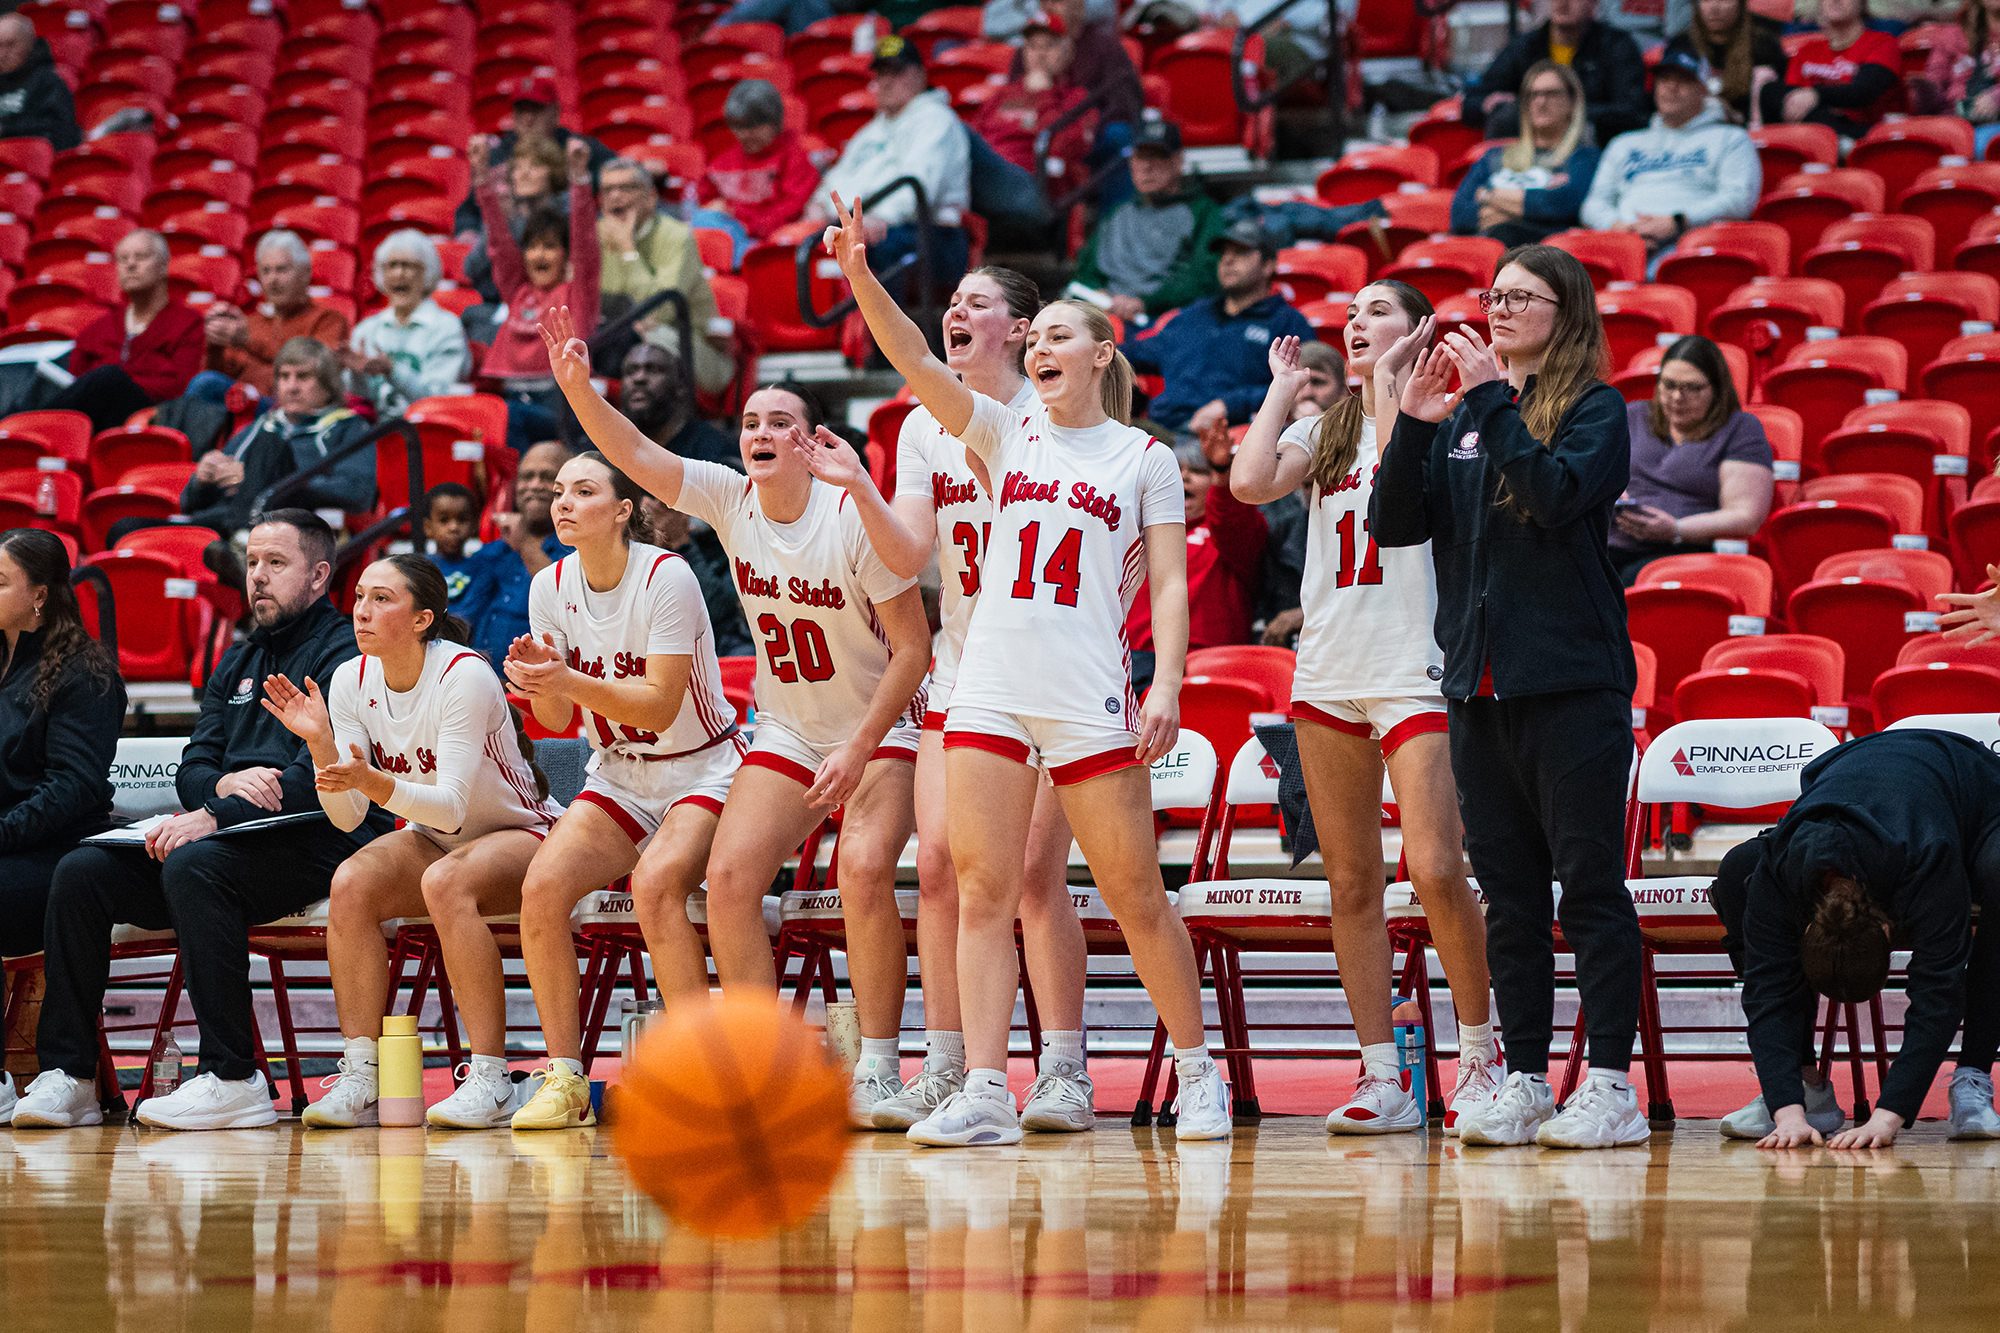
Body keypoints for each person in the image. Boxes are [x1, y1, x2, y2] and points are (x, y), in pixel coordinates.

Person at [824, 191, 1236, 1145]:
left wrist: (1167, 682)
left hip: (1090, 693)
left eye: (1058, 334)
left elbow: (1169, 589)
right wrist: (858, 274)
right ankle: (980, 1088)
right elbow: (917, 361)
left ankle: (1199, 1069)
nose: (1041, 347)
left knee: (1133, 894)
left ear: (1101, 353)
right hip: (990, 691)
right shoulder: (1004, 433)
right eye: (1035, 336)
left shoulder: (1145, 457)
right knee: (979, 889)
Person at [538, 308, 933, 1129]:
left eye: (779, 422)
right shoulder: (728, 495)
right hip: (787, 728)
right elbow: (636, 458)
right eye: (751, 420)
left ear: (812, 441)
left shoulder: (850, 519)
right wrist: (578, 389)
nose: (759, 431)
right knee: (726, 880)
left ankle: (883, 1068)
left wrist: (861, 748)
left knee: (862, 871)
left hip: (881, 722)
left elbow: (913, 649)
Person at [791, 267, 1096, 1134]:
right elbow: (908, 554)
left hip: (1052, 674)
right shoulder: (925, 429)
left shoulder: (1055, 421)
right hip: (964, 671)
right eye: (950, 300)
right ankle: (953, 1066)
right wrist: (859, 489)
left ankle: (1064, 1071)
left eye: (977, 303)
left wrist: (859, 274)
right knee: (935, 870)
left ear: (1024, 328)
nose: (956, 311)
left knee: (1036, 877)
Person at [1371, 244, 1646, 1150]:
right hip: (1478, 687)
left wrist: (1489, 399)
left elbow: (1556, 495)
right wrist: (1413, 423)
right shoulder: (1458, 417)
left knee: (1592, 888)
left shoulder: (1597, 410)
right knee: (1515, 898)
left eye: (1522, 297)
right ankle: (1526, 1076)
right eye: (1494, 295)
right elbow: (1394, 526)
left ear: (1565, 312)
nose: (1499, 308)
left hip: (1573, 683)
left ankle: (1610, 1083)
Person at [10, 513, 393, 1131]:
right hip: (229, 832)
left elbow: (312, 780)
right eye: (252, 564)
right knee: (82, 871)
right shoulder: (238, 656)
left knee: (197, 864)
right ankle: (72, 1076)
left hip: (327, 836)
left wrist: (215, 813)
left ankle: (233, 1076)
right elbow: (194, 763)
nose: (258, 578)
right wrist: (218, 789)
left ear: (320, 575)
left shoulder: (347, 657)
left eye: (276, 564)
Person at [1232, 288, 1500, 1137]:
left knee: (1435, 869)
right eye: (1348, 312)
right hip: (1329, 672)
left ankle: (1483, 1056)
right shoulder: (1329, 427)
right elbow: (1246, 481)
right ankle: (1382, 1071)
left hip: (1417, 671)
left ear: (1419, 330)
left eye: (1376, 311)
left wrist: (1399, 386)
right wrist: (1284, 385)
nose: (1353, 322)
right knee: (1350, 881)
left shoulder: (1447, 416)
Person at [263, 554, 561, 1130]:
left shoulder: (464, 674)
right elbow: (348, 817)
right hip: (435, 838)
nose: (362, 613)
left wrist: (372, 781)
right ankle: (361, 1076)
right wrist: (324, 747)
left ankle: (492, 1078)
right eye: (358, 600)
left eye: (382, 599)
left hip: (523, 833)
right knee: (350, 882)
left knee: (446, 883)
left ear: (423, 618)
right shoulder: (350, 678)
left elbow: (450, 805)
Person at [501, 454, 747, 1129]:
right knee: (542, 888)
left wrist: (565, 679)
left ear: (622, 511)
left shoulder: (667, 576)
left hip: (701, 766)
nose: (564, 503)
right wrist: (535, 685)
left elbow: (663, 706)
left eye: (584, 491)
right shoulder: (548, 585)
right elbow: (554, 722)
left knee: (657, 884)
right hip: (618, 773)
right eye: (558, 492)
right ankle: (566, 1078)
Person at [1709, 730, 2000, 1150]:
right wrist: (1786, 1112)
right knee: (1739, 870)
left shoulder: (1926, 859)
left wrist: (1887, 1118)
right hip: (1850, 777)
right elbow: (1767, 989)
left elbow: (1939, 990)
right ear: (1808, 925)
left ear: (1890, 928)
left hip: (1970, 793)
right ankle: (1806, 1085)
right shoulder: (1782, 869)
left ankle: (1973, 1074)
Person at [0, 531, 124, 965]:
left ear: (39, 595)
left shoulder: (85, 672)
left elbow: (71, 787)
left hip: (60, 850)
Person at [806, 36, 972, 303]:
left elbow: (917, 190)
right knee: (811, 244)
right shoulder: (872, 130)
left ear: (919, 75)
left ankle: (881, 343)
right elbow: (837, 177)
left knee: (875, 248)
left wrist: (876, 218)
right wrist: (819, 205)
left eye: (896, 72)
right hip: (868, 227)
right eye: (881, 73)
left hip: (933, 236)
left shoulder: (938, 120)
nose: (885, 81)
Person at [1121, 219, 1319, 432]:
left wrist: (1230, 406)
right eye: (1223, 253)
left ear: (1268, 265)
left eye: (1241, 252)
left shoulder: (1287, 323)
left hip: (1231, 434)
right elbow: (1140, 353)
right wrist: (1107, 355)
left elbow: (1303, 384)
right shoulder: (1193, 315)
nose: (1228, 260)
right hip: (1162, 429)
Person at [1610, 335, 1775, 584]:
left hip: (1682, 549)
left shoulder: (1740, 429)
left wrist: (1676, 530)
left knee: (1629, 581)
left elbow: (1746, 516)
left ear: (1717, 389)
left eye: (1692, 388)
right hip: (1613, 542)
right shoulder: (1633, 415)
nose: (1677, 397)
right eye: (1668, 385)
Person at [474, 134, 600, 454]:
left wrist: (580, 179)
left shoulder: (576, 293)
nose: (539, 255)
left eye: (549, 246)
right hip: (514, 397)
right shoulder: (518, 290)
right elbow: (500, 245)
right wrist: (482, 183)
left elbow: (585, 243)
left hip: (561, 405)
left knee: (507, 419)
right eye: (532, 246)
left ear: (565, 254)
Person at [1580, 51, 1762, 269]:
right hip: (1623, 244)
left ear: (1703, 89)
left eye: (1683, 80)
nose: (1671, 87)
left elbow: (1738, 200)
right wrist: (1622, 227)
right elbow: (1593, 204)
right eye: (1664, 79)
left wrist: (1678, 222)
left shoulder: (1731, 138)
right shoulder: (1624, 143)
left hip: (1694, 246)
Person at [178, 338, 374, 538]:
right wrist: (201, 481)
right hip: (225, 522)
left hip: (295, 530)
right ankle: (241, 539)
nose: (292, 387)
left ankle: (245, 537)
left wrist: (267, 481)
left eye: (303, 377)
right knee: (147, 527)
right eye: (284, 376)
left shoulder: (350, 427)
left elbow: (356, 492)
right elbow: (189, 502)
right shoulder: (262, 425)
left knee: (269, 444)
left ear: (328, 385)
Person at [1124, 436, 1269, 684]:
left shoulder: (1229, 537)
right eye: (1176, 470)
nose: (1184, 477)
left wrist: (1222, 475)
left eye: (1198, 470)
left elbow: (1230, 515)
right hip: (1129, 666)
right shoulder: (1137, 534)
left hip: (1204, 670)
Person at [595, 157, 733, 398]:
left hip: (687, 349)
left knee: (652, 335)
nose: (615, 196)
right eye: (607, 189)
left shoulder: (678, 238)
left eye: (626, 188)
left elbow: (660, 312)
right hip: (617, 343)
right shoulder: (595, 238)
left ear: (651, 197)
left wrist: (628, 250)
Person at [1070, 122, 1228, 324]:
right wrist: (1098, 294)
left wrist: (1145, 303)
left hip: (1164, 320)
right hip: (1104, 316)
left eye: (1157, 156)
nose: (1147, 166)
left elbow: (1203, 278)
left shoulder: (1204, 212)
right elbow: (1084, 270)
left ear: (1177, 161)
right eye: (1141, 156)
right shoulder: (1117, 213)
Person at [46, 229, 204, 431]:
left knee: (109, 377)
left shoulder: (187, 322)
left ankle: (27, 425)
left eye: (141, 257)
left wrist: (123, 379)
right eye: (123, 259)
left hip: (153, 413)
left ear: (164, 266)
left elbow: (181, 385)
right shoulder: (99, 328)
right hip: (95, 415)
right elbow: (77, 380)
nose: (130, 265)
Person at [1003, 0, 1144, 203]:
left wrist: (1088, 131)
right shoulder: (1029, 48)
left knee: (1119, 135)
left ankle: (1113, 221)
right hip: (1036, 131)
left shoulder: (1106, 47)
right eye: (1046, 2)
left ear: (1080, 6)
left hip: (1092, 132)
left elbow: (1122, 105)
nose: (1050, 6)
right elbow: (1011, 100)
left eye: (1059, 1)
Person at [1461, 0, 1651, 146]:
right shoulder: (1525, 46)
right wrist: (1487, 103)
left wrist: (1562, 112)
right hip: (1529, 148)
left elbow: (1631, 112)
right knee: (1505, 115)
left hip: (1591, 151)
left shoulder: (1617, 46)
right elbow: (1471, 101)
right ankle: (1505, 183)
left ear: (1594, 3)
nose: (1563, 2)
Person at [1450, 62, 1600, 247]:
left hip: (1547, 257)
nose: (1540, 101)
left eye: (1551, 93)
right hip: (1489, 251)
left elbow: (1566, 204)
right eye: (1533, 94)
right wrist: (1536, 209)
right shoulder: (1494, 156)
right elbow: (1459, 214)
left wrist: (1490, 196)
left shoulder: (1583, 156)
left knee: (1503, 231)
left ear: (1572, 101)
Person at [970, 8, 1092, 234]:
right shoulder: (1001, 96)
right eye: (1033, 46)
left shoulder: (1076, 99)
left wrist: (1044, 93)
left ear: (1067, 52)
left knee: (957, 131)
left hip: (1035, 190)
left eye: (1050, 46)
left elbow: (1067, 151)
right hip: (989, 182)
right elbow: (978, 137)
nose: (1040, 54)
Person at [451, 74, 615, 240]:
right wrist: (468, 232)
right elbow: (470, 209)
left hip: (566, 241)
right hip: (507, 243)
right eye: (521, 111)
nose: (528, 118)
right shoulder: (497, 155)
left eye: (536, 109)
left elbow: (620, 175)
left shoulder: (580, 149)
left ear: (555, 112)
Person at [194, 230, 351, 402]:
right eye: (266, 271)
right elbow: (215, 378)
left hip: (288, 412)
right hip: (242, 411)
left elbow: (310, 376)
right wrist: (214, 344)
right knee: (204, 384)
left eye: (282, 270)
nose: (273, 279)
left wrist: (248, 340)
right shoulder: (250, 323)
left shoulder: (328, 321)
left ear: (306, 273)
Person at [454, 442, 573, 665]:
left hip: (539, 687)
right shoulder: (494, 552)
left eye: (547, 477)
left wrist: (524, 544)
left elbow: (565, 600)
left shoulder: (575, 549)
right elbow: (463, 615)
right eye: (527, 476)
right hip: (483, 681)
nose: (534, 485)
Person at [343, 230, 469, 414]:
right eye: (392, 265)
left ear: (428, 272)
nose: (399, 273)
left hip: (426, 430)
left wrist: (393, 372)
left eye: (409, 266)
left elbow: (438, 397)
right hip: (373, 432)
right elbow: (360, 400)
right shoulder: (366, 330)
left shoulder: (446, 327)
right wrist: (355, 373)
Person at [696, 80, 820, 260]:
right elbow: (706, 199)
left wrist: (750, 225)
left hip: (770, 243)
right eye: (737, 127)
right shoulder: (723, 162)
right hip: (727, 236)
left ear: (774, 123)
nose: (744, 134)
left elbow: (794, 206)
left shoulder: (794, 157)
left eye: (752, 127)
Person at [1759, 0, 1905, 138]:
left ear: (1862, 4)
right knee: (1770, 91)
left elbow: (1862, 92)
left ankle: (1835, 139)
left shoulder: (1883, 43)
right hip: (1811, 132)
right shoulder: (1807, 51)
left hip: (1865, 137)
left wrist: (1817, 94)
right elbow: (1791, 102)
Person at [641, 495, 753, 659]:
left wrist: (681, 544)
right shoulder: (650, 532)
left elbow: (720, 614)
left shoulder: (743, 541)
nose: (669, 507)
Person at [1663, 0, 1789, 124]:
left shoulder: (1763, 45)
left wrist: (1734, 116)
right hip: (1688, 130)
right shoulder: (1681, 46)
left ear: (1741, 4)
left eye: (1724, 0)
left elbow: (1773, 105)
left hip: (1746, 133)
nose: (1714, 7)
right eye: (1706, 0)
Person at [619, 343, 736, 470]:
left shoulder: (715, 452)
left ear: (681, 385)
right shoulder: (609, 446)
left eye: (653, 370)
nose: (639, 378)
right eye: (630, 371)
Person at [0, 14, 78, 151]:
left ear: (29, 44)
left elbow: (59, 135)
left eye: (10, 44)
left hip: (32, 161)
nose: (2, 54)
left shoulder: (49, 83)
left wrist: (6, 128)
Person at [421, 480, 481, 604]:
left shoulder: (482, 569)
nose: (453, 527)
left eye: (462, 519)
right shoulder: (420, 571)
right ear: (428, 527)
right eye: (444, 520)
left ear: (474, 525)